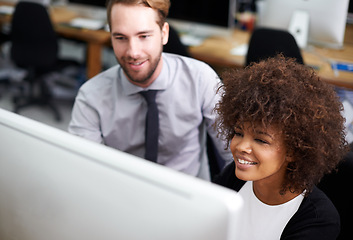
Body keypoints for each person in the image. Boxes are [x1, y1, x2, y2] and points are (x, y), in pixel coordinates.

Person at [68, 0, 232, 180]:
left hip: (190, 196)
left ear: (164, 34)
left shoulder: (201, 79)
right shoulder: (91, 96)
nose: (133, 52)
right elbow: (82, 169)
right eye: (121, 38)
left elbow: (234, 155)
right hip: (122, 196)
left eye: (144, 36)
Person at [213, 55, 348, 239]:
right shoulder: (234, 178)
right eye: (238, 133)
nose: (242, 146)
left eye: (261, 140)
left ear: (294, 150)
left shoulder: (317, 219)